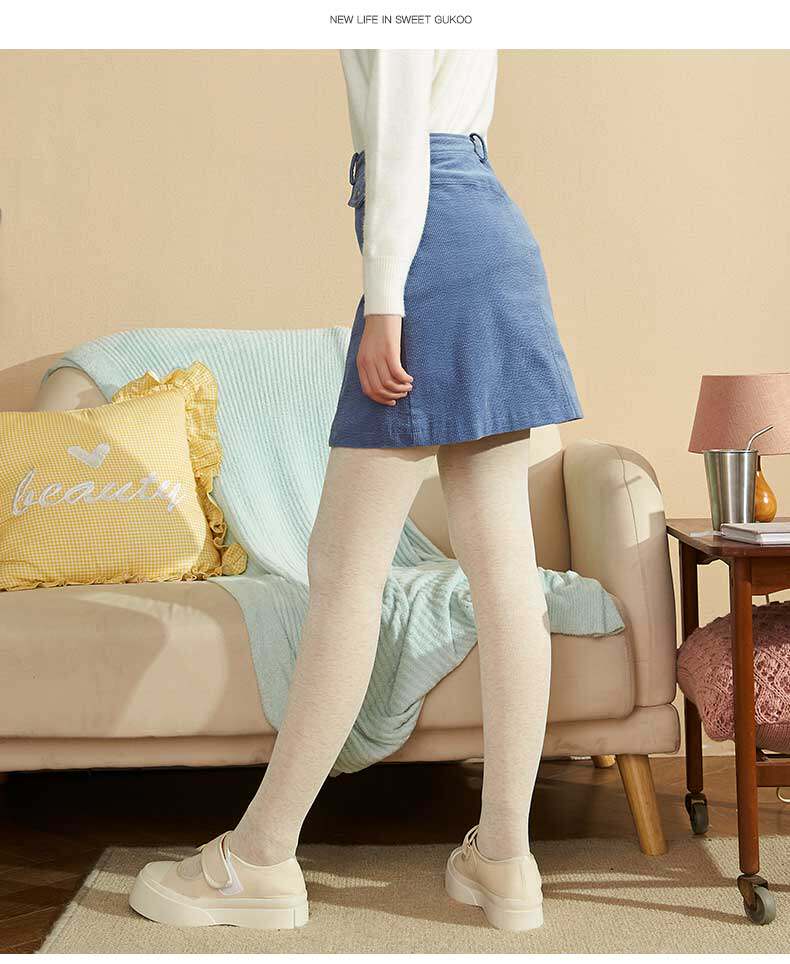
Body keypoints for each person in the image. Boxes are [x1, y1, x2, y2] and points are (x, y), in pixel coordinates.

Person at [129, 48, 582, 933]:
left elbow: (402, 139)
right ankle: (505, 862)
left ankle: (260, 859)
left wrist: (385, 306)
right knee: (506, 583)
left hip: (429, 252)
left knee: (343, 572)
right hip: (489, 237)